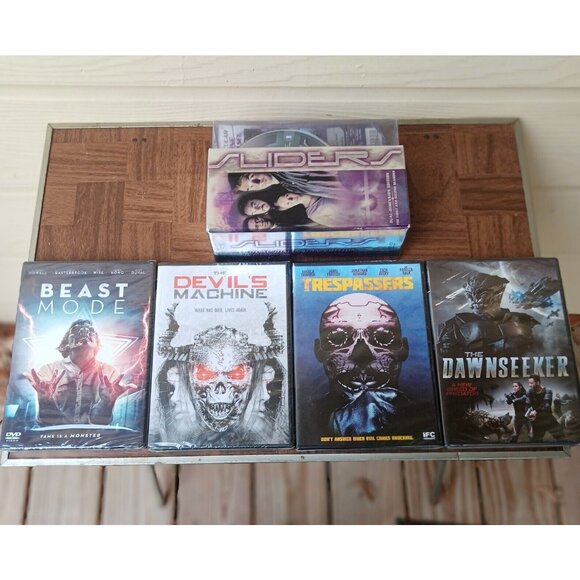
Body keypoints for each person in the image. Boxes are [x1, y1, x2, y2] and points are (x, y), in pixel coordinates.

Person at [310, 292, 430, 438]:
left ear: (404, 349)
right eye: (338, 337)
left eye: (382, 337)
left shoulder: (430, 417)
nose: (361, 354)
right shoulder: (305, 419)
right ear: (318, 351)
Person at [23, 319, 137, 426]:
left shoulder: (109, 372)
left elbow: (99, 422)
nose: (84, 332)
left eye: (91, 330)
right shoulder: (49, 370)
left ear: (97, 343)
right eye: (76, 330)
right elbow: (48, 422)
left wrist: (106, 401)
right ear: (67, 343)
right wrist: (45, 400)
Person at [438, 272, 539, 357]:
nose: (475, 301)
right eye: (470, 296)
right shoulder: (454, 324)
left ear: (499, 294)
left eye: (483, 295)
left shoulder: (522, 320)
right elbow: (446, 358)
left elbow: (537, 351)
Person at [526, 374, 564, 442]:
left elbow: (546, 405)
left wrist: (535, 411)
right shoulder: (529, 392)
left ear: (538, 382)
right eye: (529, 383)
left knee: (561, 437)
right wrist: (529, 413)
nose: (529, 385)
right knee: (536, 442)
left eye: (531, 383)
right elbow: (527, 405)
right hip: (537, 421)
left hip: (548, 419)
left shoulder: (547, 390)